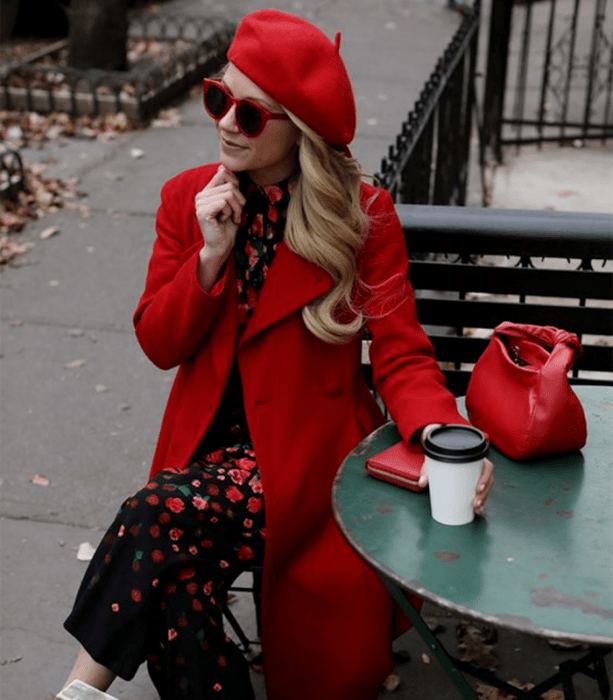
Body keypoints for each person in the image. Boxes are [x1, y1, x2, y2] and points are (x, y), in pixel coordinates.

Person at [60, 9, 494, 700]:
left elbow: (401, 356)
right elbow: (157, 342)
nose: (227, 122)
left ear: (300, 130)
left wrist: (440, 435)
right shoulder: (189, 201)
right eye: (217, 98)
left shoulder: (361, 218)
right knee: (179, 592)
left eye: (253, 115)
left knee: (152, 517)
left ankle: (78, 692)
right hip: (205, 456)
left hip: (307, 458)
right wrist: (209, 258)